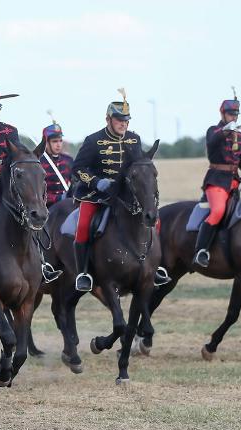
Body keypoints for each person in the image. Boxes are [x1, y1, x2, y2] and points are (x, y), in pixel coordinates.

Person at [71, 90, 169, 291]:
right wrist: (97, 182)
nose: (123, 124)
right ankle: (84, 273)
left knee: (154, 220)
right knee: (82, 227)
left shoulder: (134, 139)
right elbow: (77, 169)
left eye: (126, 120)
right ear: (108, 119)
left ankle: (154, 267)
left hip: (126, 195)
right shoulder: (93, 141)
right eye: (119, 120)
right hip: (97, 195)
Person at [193, 90, 241, 268]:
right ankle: (201, 250)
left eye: (236, 114)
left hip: (235, 183)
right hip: (217, 181)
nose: (233, 117)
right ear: (222, 114)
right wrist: (224, 131)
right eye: (230, 114)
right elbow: (212, 142)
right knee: (218, 211)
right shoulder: (213, 131)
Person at [38, 121, 73, 208]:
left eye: (60, 141)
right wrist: (58, 198)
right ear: (46, 142)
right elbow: (36, 193)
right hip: (46, 208)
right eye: (54, 141)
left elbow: (75, 184)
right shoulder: (38, 162)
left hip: (67, 204)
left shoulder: (68, 160)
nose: (58, 145)